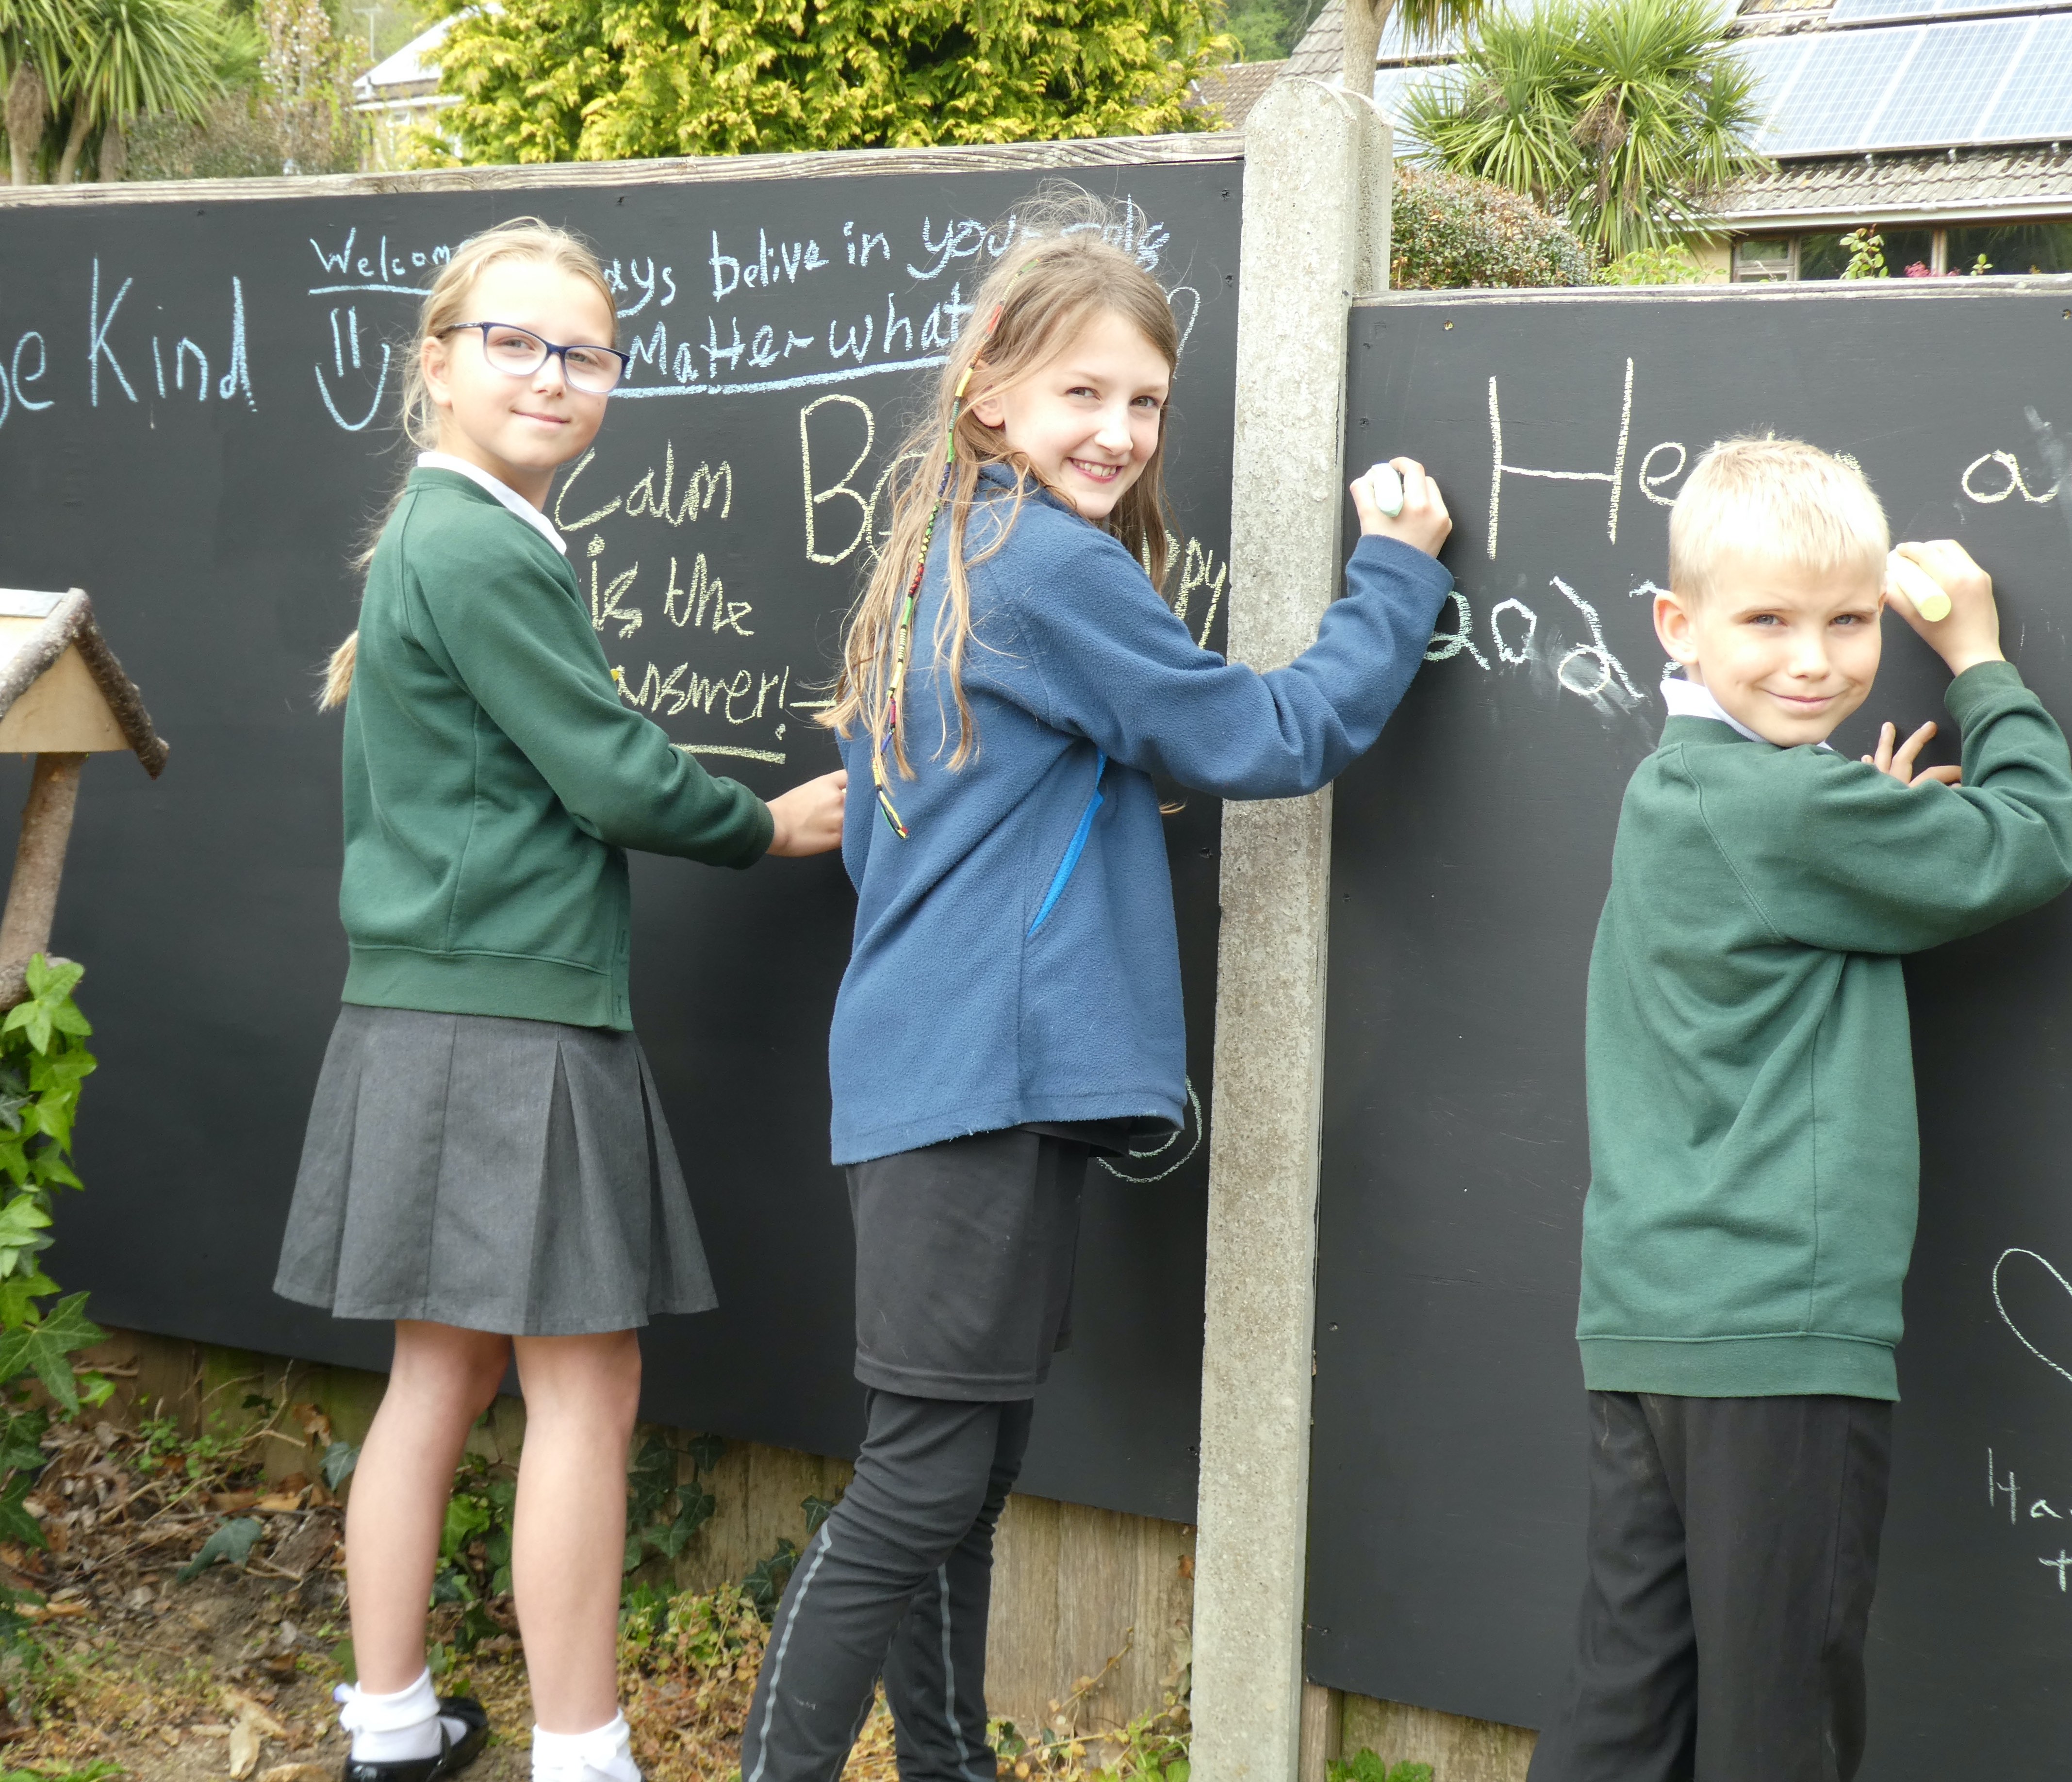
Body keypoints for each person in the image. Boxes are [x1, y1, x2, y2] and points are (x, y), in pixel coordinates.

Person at [737, 202, 1454, 1782]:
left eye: (1146, 404)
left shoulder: (951, 544)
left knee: (966, 1476)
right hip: (975, 1085)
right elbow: (1259, 737)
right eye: (1084, 395)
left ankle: (949, 1768)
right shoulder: (1045, 566)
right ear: (989, 390)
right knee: (919, 1486)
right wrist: (1396, 577)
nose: (1121, 432)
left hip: (958, 1080)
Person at [275, 218, 846, 1782]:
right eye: (516, 344)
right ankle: (583, 1756)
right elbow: (608, 773)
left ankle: (393, 1730)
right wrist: (775, 821)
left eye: (582, 354)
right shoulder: (474, 542)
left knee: (439, 1376)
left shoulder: (451, 536)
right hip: (514, 1025)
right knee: (587, 1390)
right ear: (439, 363)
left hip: (425, 1016)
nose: (552, 375)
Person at [1527, 438, 2072, 1782]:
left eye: (1847, 623)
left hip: (1652, 1324)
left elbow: (1793, 890)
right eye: (1768, 621)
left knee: (1629, 1701)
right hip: (1778, 1332)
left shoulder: (1679, 786)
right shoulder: (1789, 810)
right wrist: (1983, 665)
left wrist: (1861, 819)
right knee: (1783, 1717)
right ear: (1679, 625)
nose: (1817, 660)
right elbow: (2033, 841)